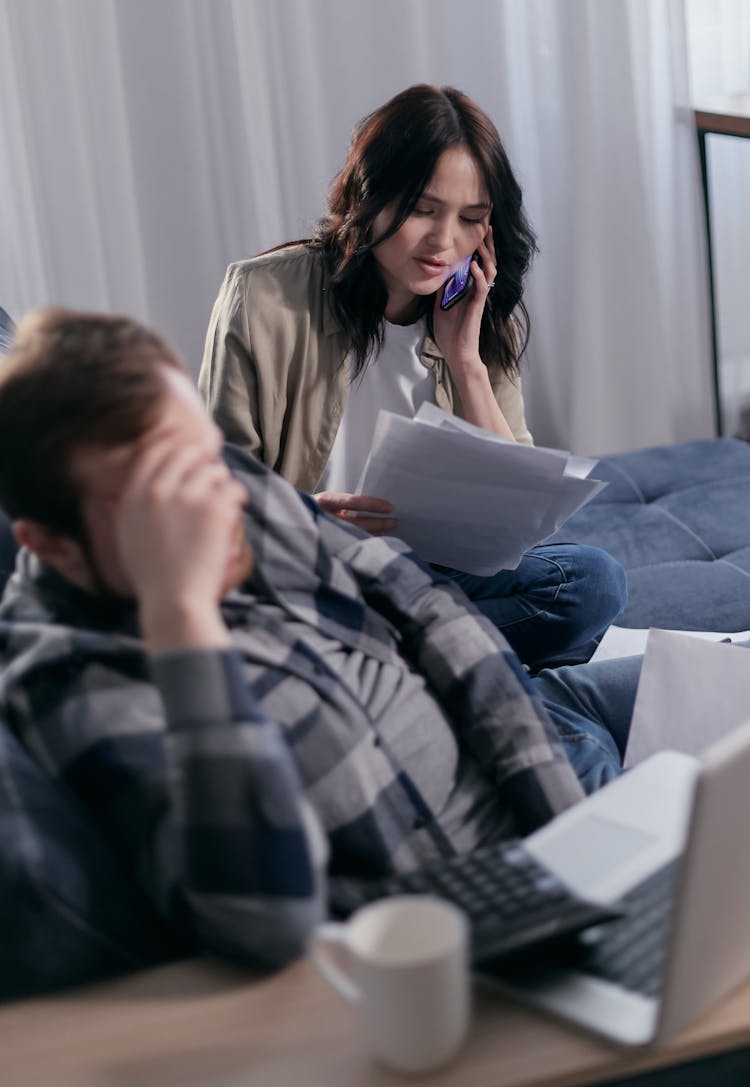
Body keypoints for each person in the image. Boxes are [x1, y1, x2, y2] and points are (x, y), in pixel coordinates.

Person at [0, 309, 628, 972]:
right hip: (466, 914)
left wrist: (562, 828)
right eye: (161, 497)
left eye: (203, 456)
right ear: (49, 545)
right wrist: (184, 618)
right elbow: (262, 921)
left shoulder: (226, 477)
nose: (218, 503)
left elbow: (424, 604)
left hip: (516, 740)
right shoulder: (70, 676)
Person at [199, 83, 626, 674]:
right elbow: (215, 496)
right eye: (423, 210)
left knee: (594, 584)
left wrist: (465, 360)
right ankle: (429, 664)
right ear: (368, 197)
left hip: (428, 578)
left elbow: (519, 519)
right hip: (313, 571)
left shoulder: (475, 313)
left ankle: (380, 664)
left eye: (471, 219)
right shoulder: (264, 297)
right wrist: (307, 518)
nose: (443, 241)